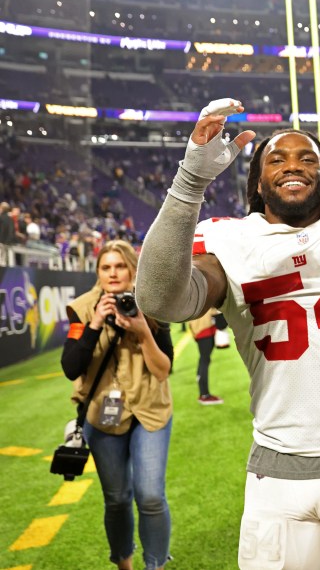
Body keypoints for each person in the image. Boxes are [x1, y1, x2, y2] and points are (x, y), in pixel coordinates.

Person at [136, 103, 320, 570]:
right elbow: (160, 300)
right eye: (277, 159)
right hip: (277, 465)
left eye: (308, 159)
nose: (294, 166)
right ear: (259, 183)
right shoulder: (230, 240)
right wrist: (189, 184)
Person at [61, 240, 173, 570]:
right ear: (98, 273)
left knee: (151, 496)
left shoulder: (152, 304)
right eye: (106, 267)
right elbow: (71, 366)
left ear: (132, 269)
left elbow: (164, 369)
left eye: (120, 266)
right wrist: (96, 323)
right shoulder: (82, 309)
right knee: (117, 499)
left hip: (150, 412)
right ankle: (124, 565)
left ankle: (155, 565)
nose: (113, 273)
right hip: (102, 417)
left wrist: (142, 330)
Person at [186, 309, 223, 405]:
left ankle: (203, 392)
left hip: (200, 329)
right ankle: (204, 395)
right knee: (204, 360)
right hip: (205, 329)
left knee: (204, 360)